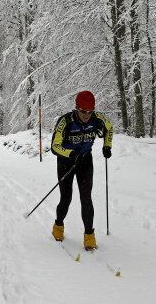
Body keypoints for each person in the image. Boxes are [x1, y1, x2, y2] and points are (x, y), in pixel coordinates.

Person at [50, 90, 113, 250]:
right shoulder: (65, 122)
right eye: (83, 111)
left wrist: (107, 146)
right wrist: (71, 153)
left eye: (90, 111)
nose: (86, 115)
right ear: (76, 108)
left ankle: (89, 237)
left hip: (85, 160)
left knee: (86, 198)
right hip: (66, 161)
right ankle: (58, 227)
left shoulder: (97, 118)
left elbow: (109, 127)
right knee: (66, 197)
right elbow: (55, 146)